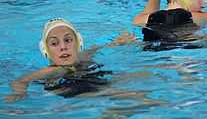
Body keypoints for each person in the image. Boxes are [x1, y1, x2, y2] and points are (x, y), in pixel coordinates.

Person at [5, 18, 134, 103]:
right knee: (132, 97)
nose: (63, 47)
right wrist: (19, 92)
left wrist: (117, 42)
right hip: (69, 92)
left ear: (79, 43)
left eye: (68, 40)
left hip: (93, 84)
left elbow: (95, 49)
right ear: (46, 51)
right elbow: (21, 80)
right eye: (54, 43)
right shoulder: (53, 70)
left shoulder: (82, 57)